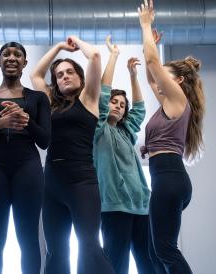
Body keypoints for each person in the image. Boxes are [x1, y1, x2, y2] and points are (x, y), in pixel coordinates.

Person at [30, 36, 114, 274]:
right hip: (52, 182)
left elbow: (95, 57)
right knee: (56, 249)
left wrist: (75, 41)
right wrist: (56, 47)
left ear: (80, 76)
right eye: (59, 74)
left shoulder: (89, 99)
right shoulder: (49, 103)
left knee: (89, 245)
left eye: (69, 72)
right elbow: (36, 75)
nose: (64, 76)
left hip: (81, 181)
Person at [0, 41, 51, 274]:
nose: (11, 58)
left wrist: (27, 121)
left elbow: (45, 140)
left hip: (28, 168)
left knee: (28, 239)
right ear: (0, 61)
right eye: (6, 54)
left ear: (25, 63)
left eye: (17, 54)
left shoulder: (38, 98)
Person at [139, 1, 205, 273]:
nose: (159, 82)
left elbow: (154, 64)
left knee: (165, 249)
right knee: (158, 252)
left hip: (169, 179)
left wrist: (145, 23)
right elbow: (151, 73)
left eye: (165, 77)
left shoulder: (179, 99)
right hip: (167, 177)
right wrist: (149, 146)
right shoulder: (168, 103)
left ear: (177, 81)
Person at [94, 35, 155, 274]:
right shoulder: (98, 130)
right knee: (116, 266)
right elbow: (101, 95)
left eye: (122, 104)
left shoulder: (126, 132)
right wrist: (114, 56)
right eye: (113, 102)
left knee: (148, 264)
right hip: (113, 208)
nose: (118, 105)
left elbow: (139, 109)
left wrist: (133, 76)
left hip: (141, 206)